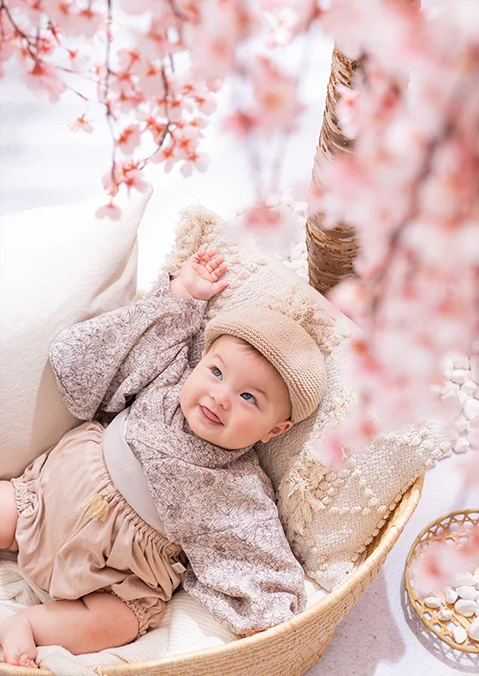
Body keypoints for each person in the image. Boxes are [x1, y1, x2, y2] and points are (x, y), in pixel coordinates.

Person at [0, 246, 327, 669]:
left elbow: (258, 550)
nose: (220, 397)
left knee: (119, 622)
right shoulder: (168, 377)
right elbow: (141, 339)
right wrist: (182, 296)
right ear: (200, 362)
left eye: (248, 397)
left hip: (112, 573)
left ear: (275, 430)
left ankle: (30, 624)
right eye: (216, 372)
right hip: (41, 502)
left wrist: (271, 610)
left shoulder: (239, 486)